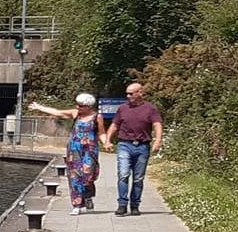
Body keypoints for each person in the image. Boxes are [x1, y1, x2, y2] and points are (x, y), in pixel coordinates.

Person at [29, 92, 105, 215]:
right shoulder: (75, 114)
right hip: (74, 149)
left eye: (81, 106)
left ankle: (87, 196)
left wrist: (106, 142)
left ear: (89, 107)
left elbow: (101, 132)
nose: (77, 107)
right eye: (77, 105)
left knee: (88, 176)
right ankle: (76, 204)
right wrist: (39, 107)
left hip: (90, 150)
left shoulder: (97, 117)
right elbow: (58, 112)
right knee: (74, 176)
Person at [102, 82, 164, 217]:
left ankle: (135, 205)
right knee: (123, 174)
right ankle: (122, 205)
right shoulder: (123, 108)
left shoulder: (150, 109)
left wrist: (158, 140)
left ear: (140, 93)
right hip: (125, 145)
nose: (128, 96)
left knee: (138, 178)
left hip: (142, 146)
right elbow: (114, 125)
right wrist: (107, 140)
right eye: (127, 93)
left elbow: (157, 124)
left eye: (131, 93)